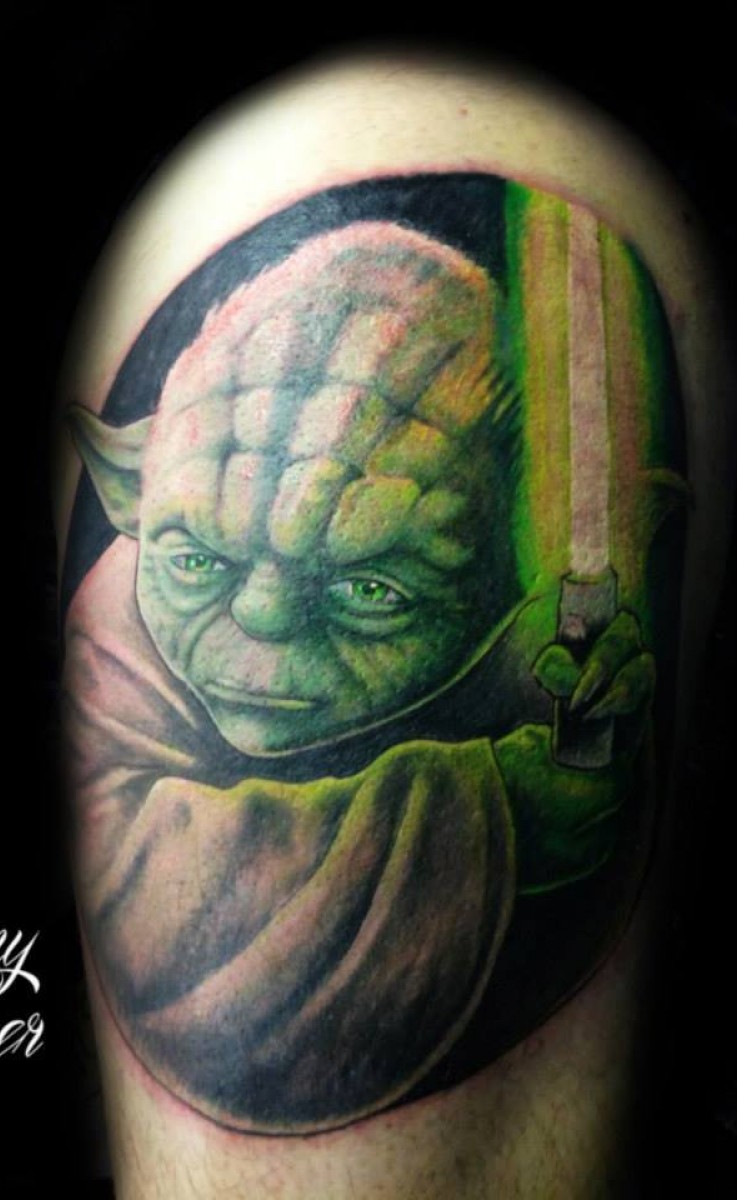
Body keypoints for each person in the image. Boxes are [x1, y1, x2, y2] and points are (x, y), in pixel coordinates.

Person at [53, 49, 733, 1197]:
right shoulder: (124, 624)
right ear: (140, 490)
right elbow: (164, 907)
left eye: (369, 587)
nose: (258, 629)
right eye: (197, 559)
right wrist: (503, 810)